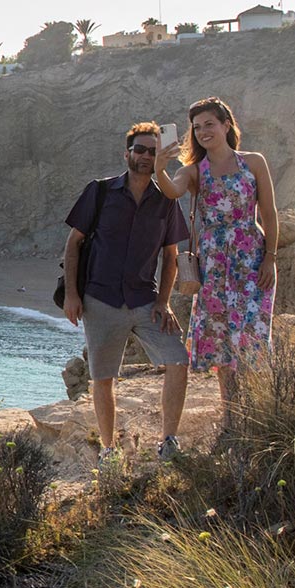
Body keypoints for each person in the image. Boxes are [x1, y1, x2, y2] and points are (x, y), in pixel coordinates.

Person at [62, 121, 192, 458]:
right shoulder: (100, 191)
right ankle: (108, 451)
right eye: (140, 150)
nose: (147, 156)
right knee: (103, 377)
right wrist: (73, 295)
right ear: (127, 153)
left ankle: (169, 442)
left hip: (144, 300)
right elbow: (74, 243)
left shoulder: (166, 200)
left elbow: (170, 255)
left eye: (153, 151)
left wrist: (164, 302)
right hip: (100, 299)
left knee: (178, 360)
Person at [155, 96, 277, 408]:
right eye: (196, 128)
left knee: (253, 337)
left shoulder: (254, 162)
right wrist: (160, 167)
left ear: (226, 124)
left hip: (250, 260)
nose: (203, 131)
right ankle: (231, 415)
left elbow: (270, 213)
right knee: (222, 343)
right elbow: (172, 190)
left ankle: (259, 410)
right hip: (213, 267)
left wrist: (270, 258)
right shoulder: (195, 171)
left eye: (209, 123)